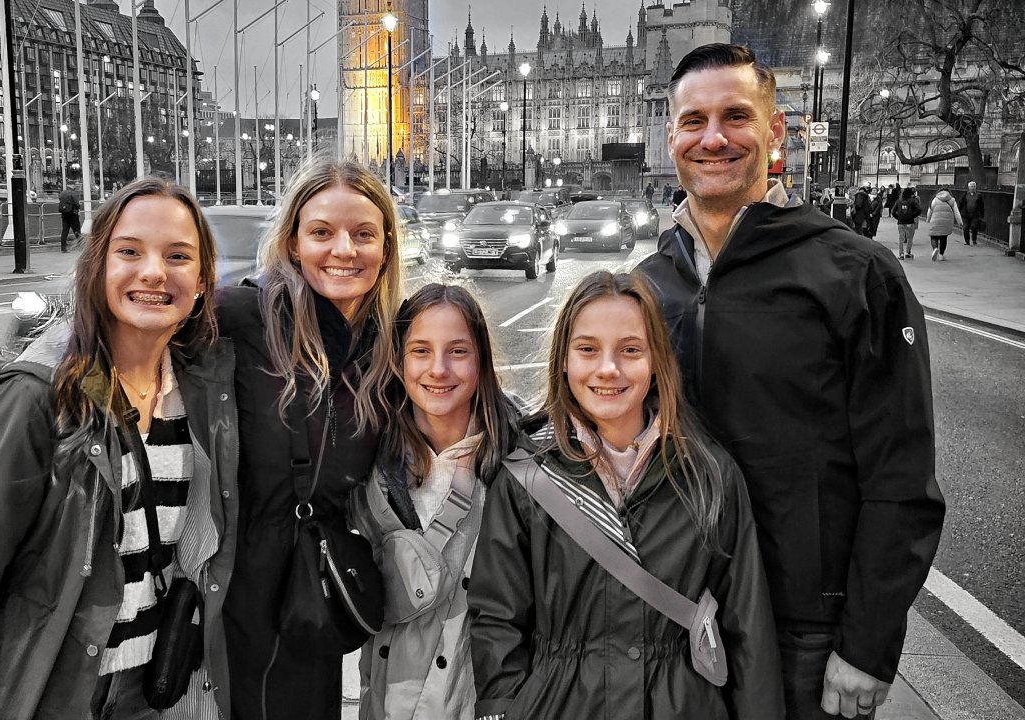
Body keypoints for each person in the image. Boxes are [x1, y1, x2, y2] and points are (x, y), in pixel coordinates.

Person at [637, 44, 944, 720]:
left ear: (775, 131)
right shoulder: (648, 285)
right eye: (693, 122)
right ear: (670, 136)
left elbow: (902, 477)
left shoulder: (856, 273)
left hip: (802, 630)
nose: (713, 138)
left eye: (735, 117)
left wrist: (868, 644)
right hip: (673, 617)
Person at [0, 176, 239, 719]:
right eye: (130, 251)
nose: (154, 271)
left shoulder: (198, 391)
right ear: (98, 264)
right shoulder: (35, 398)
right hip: (61, 695)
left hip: (155, 692)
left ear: (201, 281)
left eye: (178, 256)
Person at [468, 270, 782, 720]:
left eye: (630, 350)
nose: (608, 369)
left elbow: (747, 624)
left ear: (655, 361)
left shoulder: (708, 475)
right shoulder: (525, 478)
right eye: (588, 349)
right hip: (557, 704)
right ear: (563, 359)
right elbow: (497, 619)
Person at [216, 157, 402, 720]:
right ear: (293, 242)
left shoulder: (389, 343)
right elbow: (128, 328)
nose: (343, 250)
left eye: (363, 234)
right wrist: (31, 377)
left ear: (386, 248)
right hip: (232, 584)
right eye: (321, 232)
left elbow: (468, 393)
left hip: (312, 588)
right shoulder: (241, 315)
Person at [348, 284, 518, 720]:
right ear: (399, 360)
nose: (438, 369)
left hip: (482, 701)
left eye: (457, 351)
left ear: (482, 359)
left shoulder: (521, 464)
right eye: (421, 351)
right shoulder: (363, 463)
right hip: (385, 702)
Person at [927, 187, 961, 261]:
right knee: (943, 237)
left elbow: (930, 210)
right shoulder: (952, 200)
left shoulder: (935, 199)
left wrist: (928, 219)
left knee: (933, 236)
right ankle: (941, 255)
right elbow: (956, 212)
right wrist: (960, 222)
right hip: (947, 222)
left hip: (935, 220)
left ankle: (935, 248)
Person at [892, 187, 923, 259]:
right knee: (909, 238)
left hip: (901, 223)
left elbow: (893, 212)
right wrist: (912, 216)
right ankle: (907, 252)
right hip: (910, 222)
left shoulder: (898, 201)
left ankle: (901, 254)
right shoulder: (912, 201)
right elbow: (919, 210)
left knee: (901, 238)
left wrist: (898, 218)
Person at [957, 180, 985, 245]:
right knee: (965, 227)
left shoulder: (979, 195)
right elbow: (960, 204)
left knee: (974, 226)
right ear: (968, 187)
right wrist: (958, 212)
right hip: (965, 215)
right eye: (971, 186)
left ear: (975, 187)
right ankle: (967, 241)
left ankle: (974, 239)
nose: (972, 188)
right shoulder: (964, 195)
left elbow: (981, 205)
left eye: (974, 186)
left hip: (975, 215)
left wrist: (982, 214)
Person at [59, 183, 83, 252]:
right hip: (73, 213)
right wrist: (78, 207)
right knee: (77, 230)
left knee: (65, 231)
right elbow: (76, 203)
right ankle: (81, 246)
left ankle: (63, 248)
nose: (74, 186)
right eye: (74, 185)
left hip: (64, 214)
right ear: (72, 186)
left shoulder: (62, 193)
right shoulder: (73, 193)